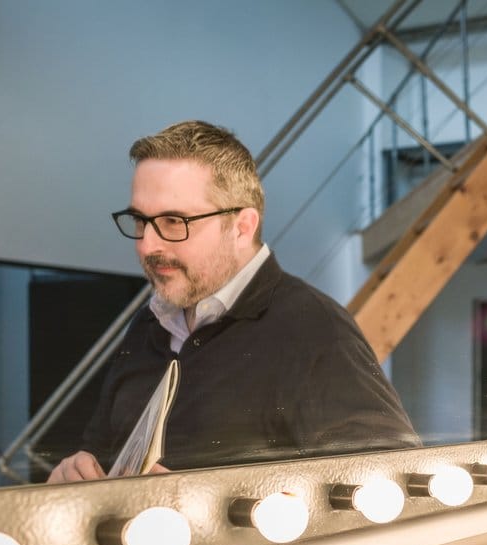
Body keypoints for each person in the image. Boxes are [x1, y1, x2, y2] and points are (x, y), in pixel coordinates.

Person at [49, 120, 417, 482]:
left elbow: (386, 484)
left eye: (174, 221)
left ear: (242, 227)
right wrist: (78, 472)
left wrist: (210, 501)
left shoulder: (313, 328)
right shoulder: (147, 325)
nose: (147, 245)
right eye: (140, 220)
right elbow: (101, 448)